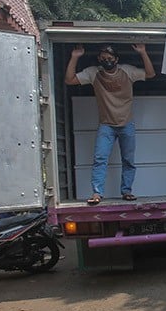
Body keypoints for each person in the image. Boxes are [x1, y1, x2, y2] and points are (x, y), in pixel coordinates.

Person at [65, 44, 156, 205]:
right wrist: (75, 57)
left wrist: (143, 52)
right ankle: (97, 193)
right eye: (104, 58)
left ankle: (127, 191)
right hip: (106, 125)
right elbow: (69, 80)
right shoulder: (94, 73)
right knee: (100, 159)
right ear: (99, 59)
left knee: (128, 160)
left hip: (126, 123)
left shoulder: (127, 71)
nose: (107, 61)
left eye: (110, 58)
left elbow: (150, 74)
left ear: (116, 60)